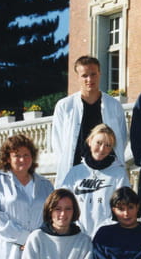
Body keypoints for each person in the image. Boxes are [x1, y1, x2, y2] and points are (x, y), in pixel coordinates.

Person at [51, 55, 127, 187]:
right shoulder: (65, 106)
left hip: (108, 175)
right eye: (84, 75)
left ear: (100, 74)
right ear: (77, 77)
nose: (89, 79)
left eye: (93, 74)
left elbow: (121, 139)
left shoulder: (114, 105)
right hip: (74, 174)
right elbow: (58, 143)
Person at [60, 123, 129, 238]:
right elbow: (62, 202)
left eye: (108, 145)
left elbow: (123, 207)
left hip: (107, 236)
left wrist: (104, 230)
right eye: (99, 143)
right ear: (90, 141)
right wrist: (74, 227)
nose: (102, 149)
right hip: (77, 236)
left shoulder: (119, 173)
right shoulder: (75, 172)